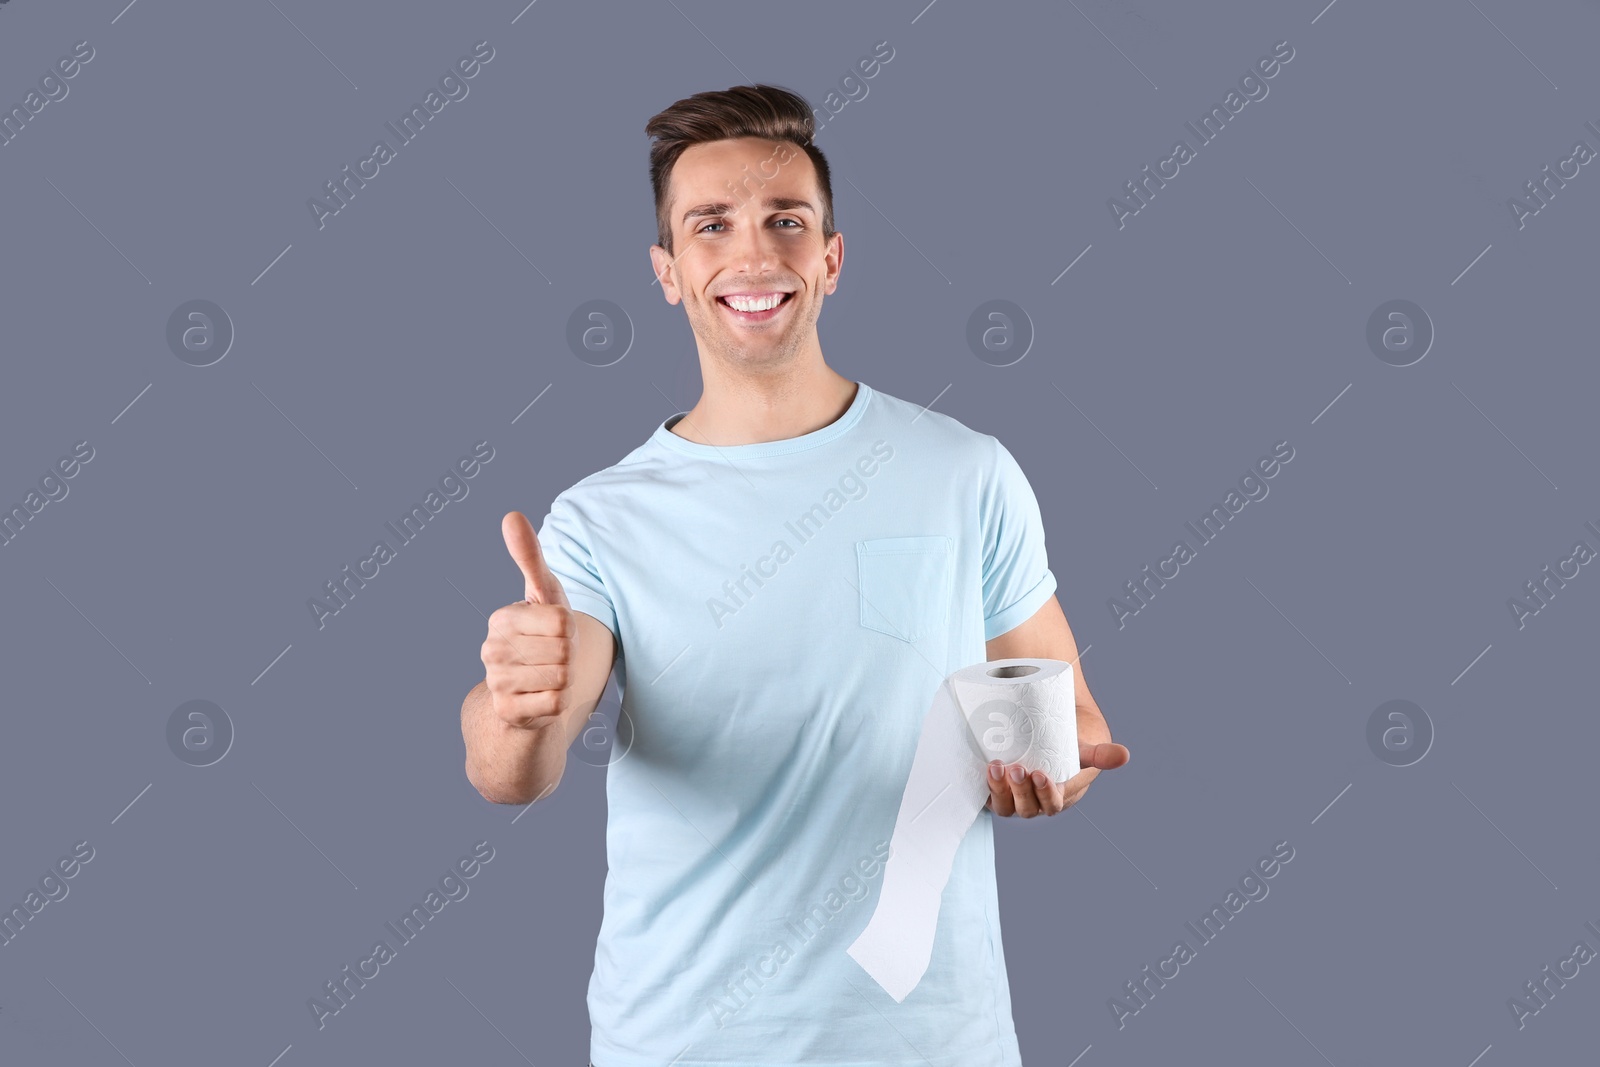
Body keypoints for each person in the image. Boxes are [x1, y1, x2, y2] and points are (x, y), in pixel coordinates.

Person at [460, 83, 1129, 1067]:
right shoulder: (602, 522)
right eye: (711, 224)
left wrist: (1054, 773)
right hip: (683, 1041)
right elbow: (513, 771)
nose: (754, 252)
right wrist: (515, 704)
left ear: (831, 257)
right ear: (668, 272)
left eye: (785, 220)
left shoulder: (963, 471)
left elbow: (1073, 722)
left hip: (933, 1040)